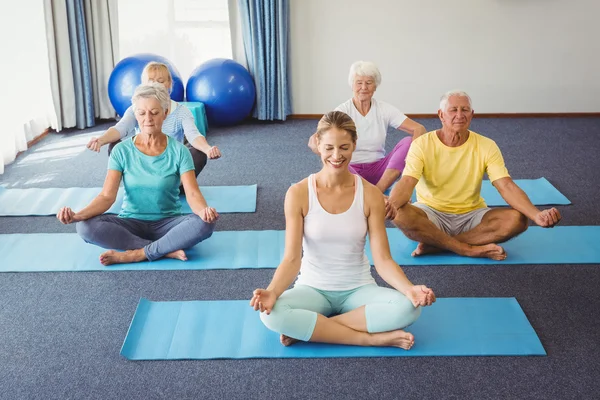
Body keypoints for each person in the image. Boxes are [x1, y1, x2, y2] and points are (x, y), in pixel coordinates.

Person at [251, 111, 435, 350]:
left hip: (358, 288)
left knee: (409, 308)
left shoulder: (370, 194)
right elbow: (291, 259)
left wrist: (409, 289)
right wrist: (273, 292)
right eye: (328, 148)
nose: (336, 156)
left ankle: (315, 329)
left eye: (344, 147)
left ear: (354, 145)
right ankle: (369, 339)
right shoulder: (298, 193)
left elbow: (383, 259)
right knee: (270, 314)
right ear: (317, 144)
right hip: (312, 288)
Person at [57, 83, 218, 266]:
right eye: (141, 113)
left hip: (168, 224)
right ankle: (163, 250)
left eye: (154, 112)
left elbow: (192, 194)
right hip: (130, 224)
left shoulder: (180, 151)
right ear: (135, 115)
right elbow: (106, 196)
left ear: (165, 113)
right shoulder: (121, 151)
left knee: (205, 224)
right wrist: (78, 215)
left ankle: (137, 253)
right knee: (85, 227)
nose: (148, 119)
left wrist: (204, 211)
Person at [389, 90, 562, 260]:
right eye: (453, 110)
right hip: (430, 214)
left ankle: (438, 244)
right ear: (441, 115)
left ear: (472, 115)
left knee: (519, 219)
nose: (459, 115)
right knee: (399, 213)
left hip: (471, 216)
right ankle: (466, 249)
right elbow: (407, 182)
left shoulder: (487, 145)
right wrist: (389, 206)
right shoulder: (421, 144)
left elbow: (506, 186)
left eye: (464, 110)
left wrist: (536, 214)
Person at [86, 62, 221, 185]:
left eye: (160, 81)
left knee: (199, 152)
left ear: (169, 84)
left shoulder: (181, 111)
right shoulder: (135, 109)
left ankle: (177, 186)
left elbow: (193, 135)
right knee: (115, 146)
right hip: (143, 164)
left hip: (170, 166)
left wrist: (207, 148)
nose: (155, 85)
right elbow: (120, 128)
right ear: (143, 84)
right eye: (150, 81)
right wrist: (100, 140)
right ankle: (137, 185)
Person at [308, 61, 426, 197]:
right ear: (352, 85)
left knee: (408, 142)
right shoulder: (343, 111)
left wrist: (414, 157)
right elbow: (315, 140)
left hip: (381, 171)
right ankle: (372, 194)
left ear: (375, 86)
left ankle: (376, 192)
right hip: (349, 168)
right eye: (359, 83)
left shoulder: (384, 109)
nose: (364, 87)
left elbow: (419, 128)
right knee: (337, 160)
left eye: (369, 83)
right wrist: (327, 154)